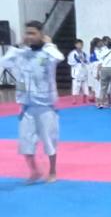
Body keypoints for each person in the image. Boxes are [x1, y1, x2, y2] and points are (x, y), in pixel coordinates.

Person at [0, 21, 64, 183]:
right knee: (25, 142)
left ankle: (52, 171)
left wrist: (49, 44)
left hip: (45, 107)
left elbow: (59, 57)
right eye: (27, 33)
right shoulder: (22, 53)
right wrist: (17, 46)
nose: (29, 36)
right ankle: (34, 171)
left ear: (41, 34)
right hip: (26, 106)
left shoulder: (48, 53)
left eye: (33, 33)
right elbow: (4, 62)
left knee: (49, 140)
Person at [67, 39, 89, 103]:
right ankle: (74, 99)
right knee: (76, 86)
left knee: (85, 86)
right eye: (79, 44)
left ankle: (85, 99)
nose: (80, 46)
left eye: (81, 44)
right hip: (76, 71)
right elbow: (70, 62)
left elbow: (88, 61)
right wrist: (78, 60)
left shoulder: (84, 53)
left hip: (83, 71)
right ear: (76, 45)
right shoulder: (73, 53)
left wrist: (84, 60)